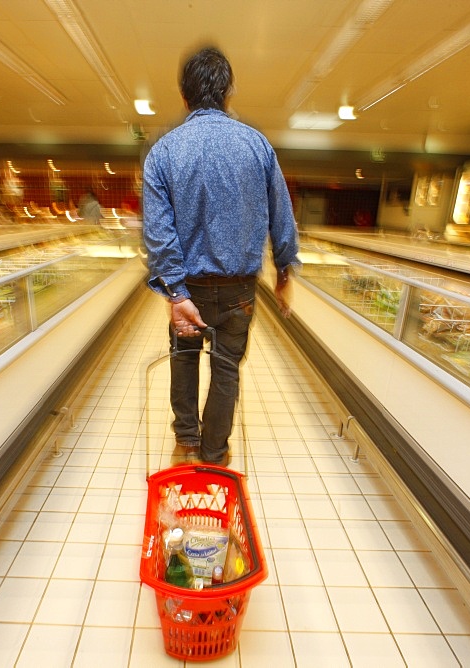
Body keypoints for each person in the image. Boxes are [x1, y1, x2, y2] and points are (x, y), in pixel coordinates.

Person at [142, 45, 300, 467]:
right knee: (226, 367)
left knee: (184, 358)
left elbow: (159, 234)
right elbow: (282, 216)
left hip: (188, 286)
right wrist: (285, 270)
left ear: (183, 95)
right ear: (228, 92)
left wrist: (176, 294)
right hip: (238, 291)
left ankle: (187, 441)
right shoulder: (258, 146)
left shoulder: (164, 152)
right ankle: (215, 453)